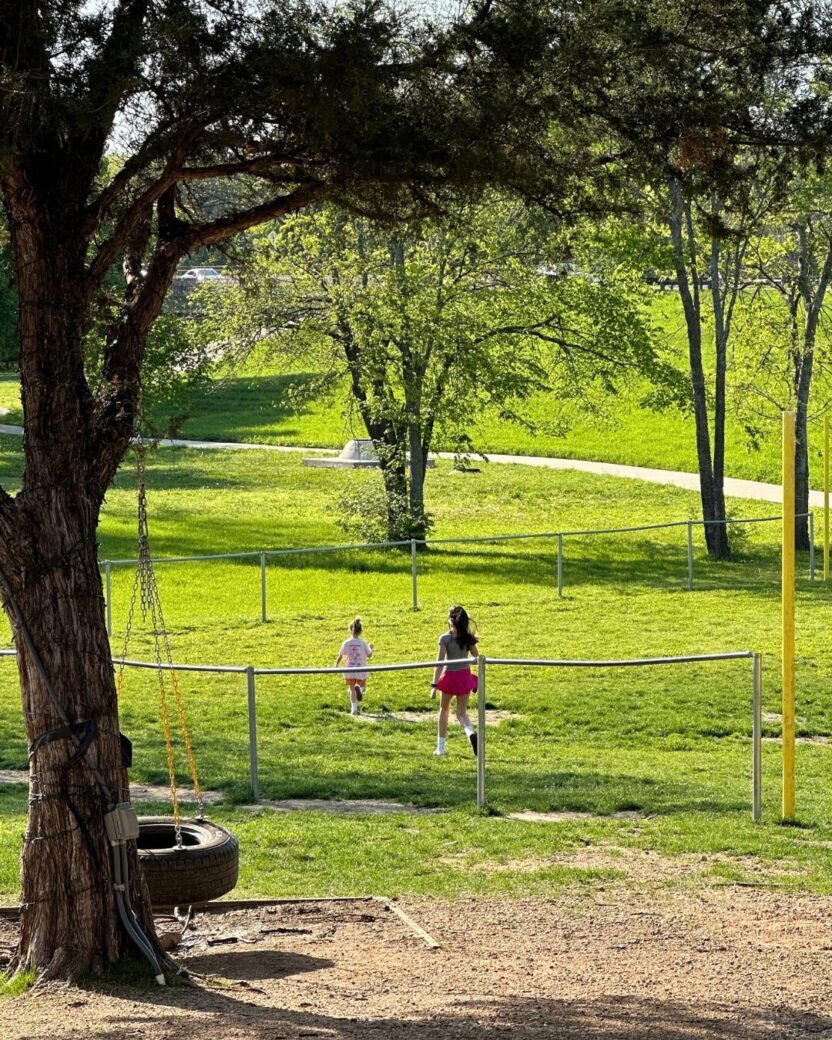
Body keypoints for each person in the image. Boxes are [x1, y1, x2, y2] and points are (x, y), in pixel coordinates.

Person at [430, 604, 478, 757]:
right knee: (462, 713)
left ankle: (441, 748)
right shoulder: (468, 638)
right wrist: (464, 662)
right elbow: (477, 659)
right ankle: (470, 733)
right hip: (464, 676)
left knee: (444, 710)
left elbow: (439, 663)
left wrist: (434, 685)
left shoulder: (445, 638)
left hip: (450, 676)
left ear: (450, 620)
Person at [335, 617, 374, 715]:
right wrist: (371, 648)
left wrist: (336, 664)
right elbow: (369, 655)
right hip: (361, 668)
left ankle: (354, 709)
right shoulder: (362, 642)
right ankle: (360, 690)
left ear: (350, 630)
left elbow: (340, 655)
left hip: (349, 669)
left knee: (351, 689)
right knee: (363, 686)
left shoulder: (346, 642)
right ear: (361, 631)